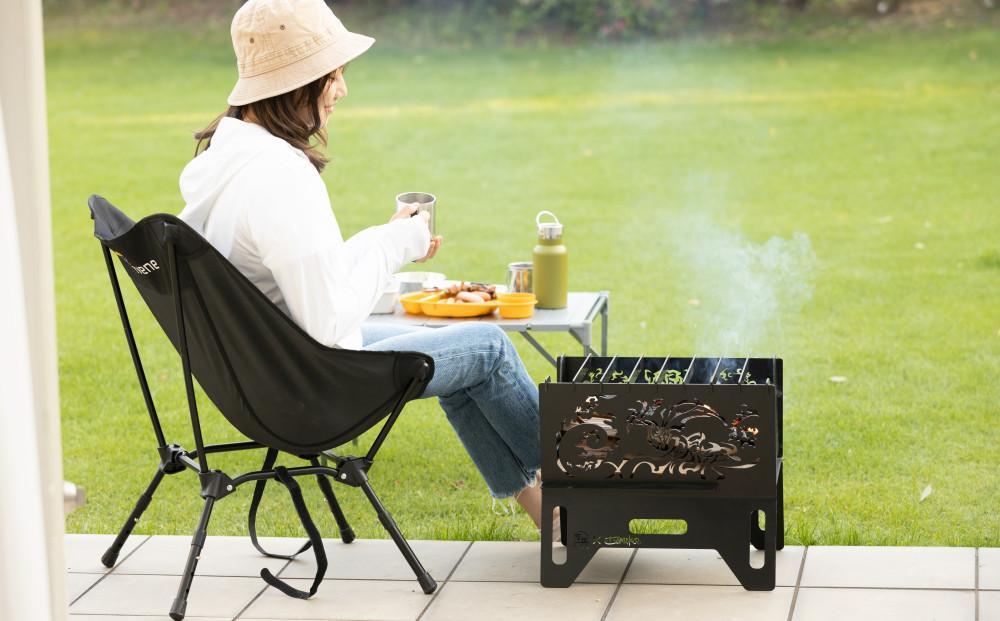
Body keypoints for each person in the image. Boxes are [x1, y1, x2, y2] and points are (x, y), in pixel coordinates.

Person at [177, 0, 553, 535]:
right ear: (300, 83)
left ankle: (552, 518)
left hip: (269, 375)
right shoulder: (281, 177)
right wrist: (397, 245)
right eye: (335, 76)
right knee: (489, 348)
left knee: (455, 349)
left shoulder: (222, 163)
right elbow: (328, 321)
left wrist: (389, 236)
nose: (342, 91)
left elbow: (301, 277)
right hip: (317, 385)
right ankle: (590, 483)